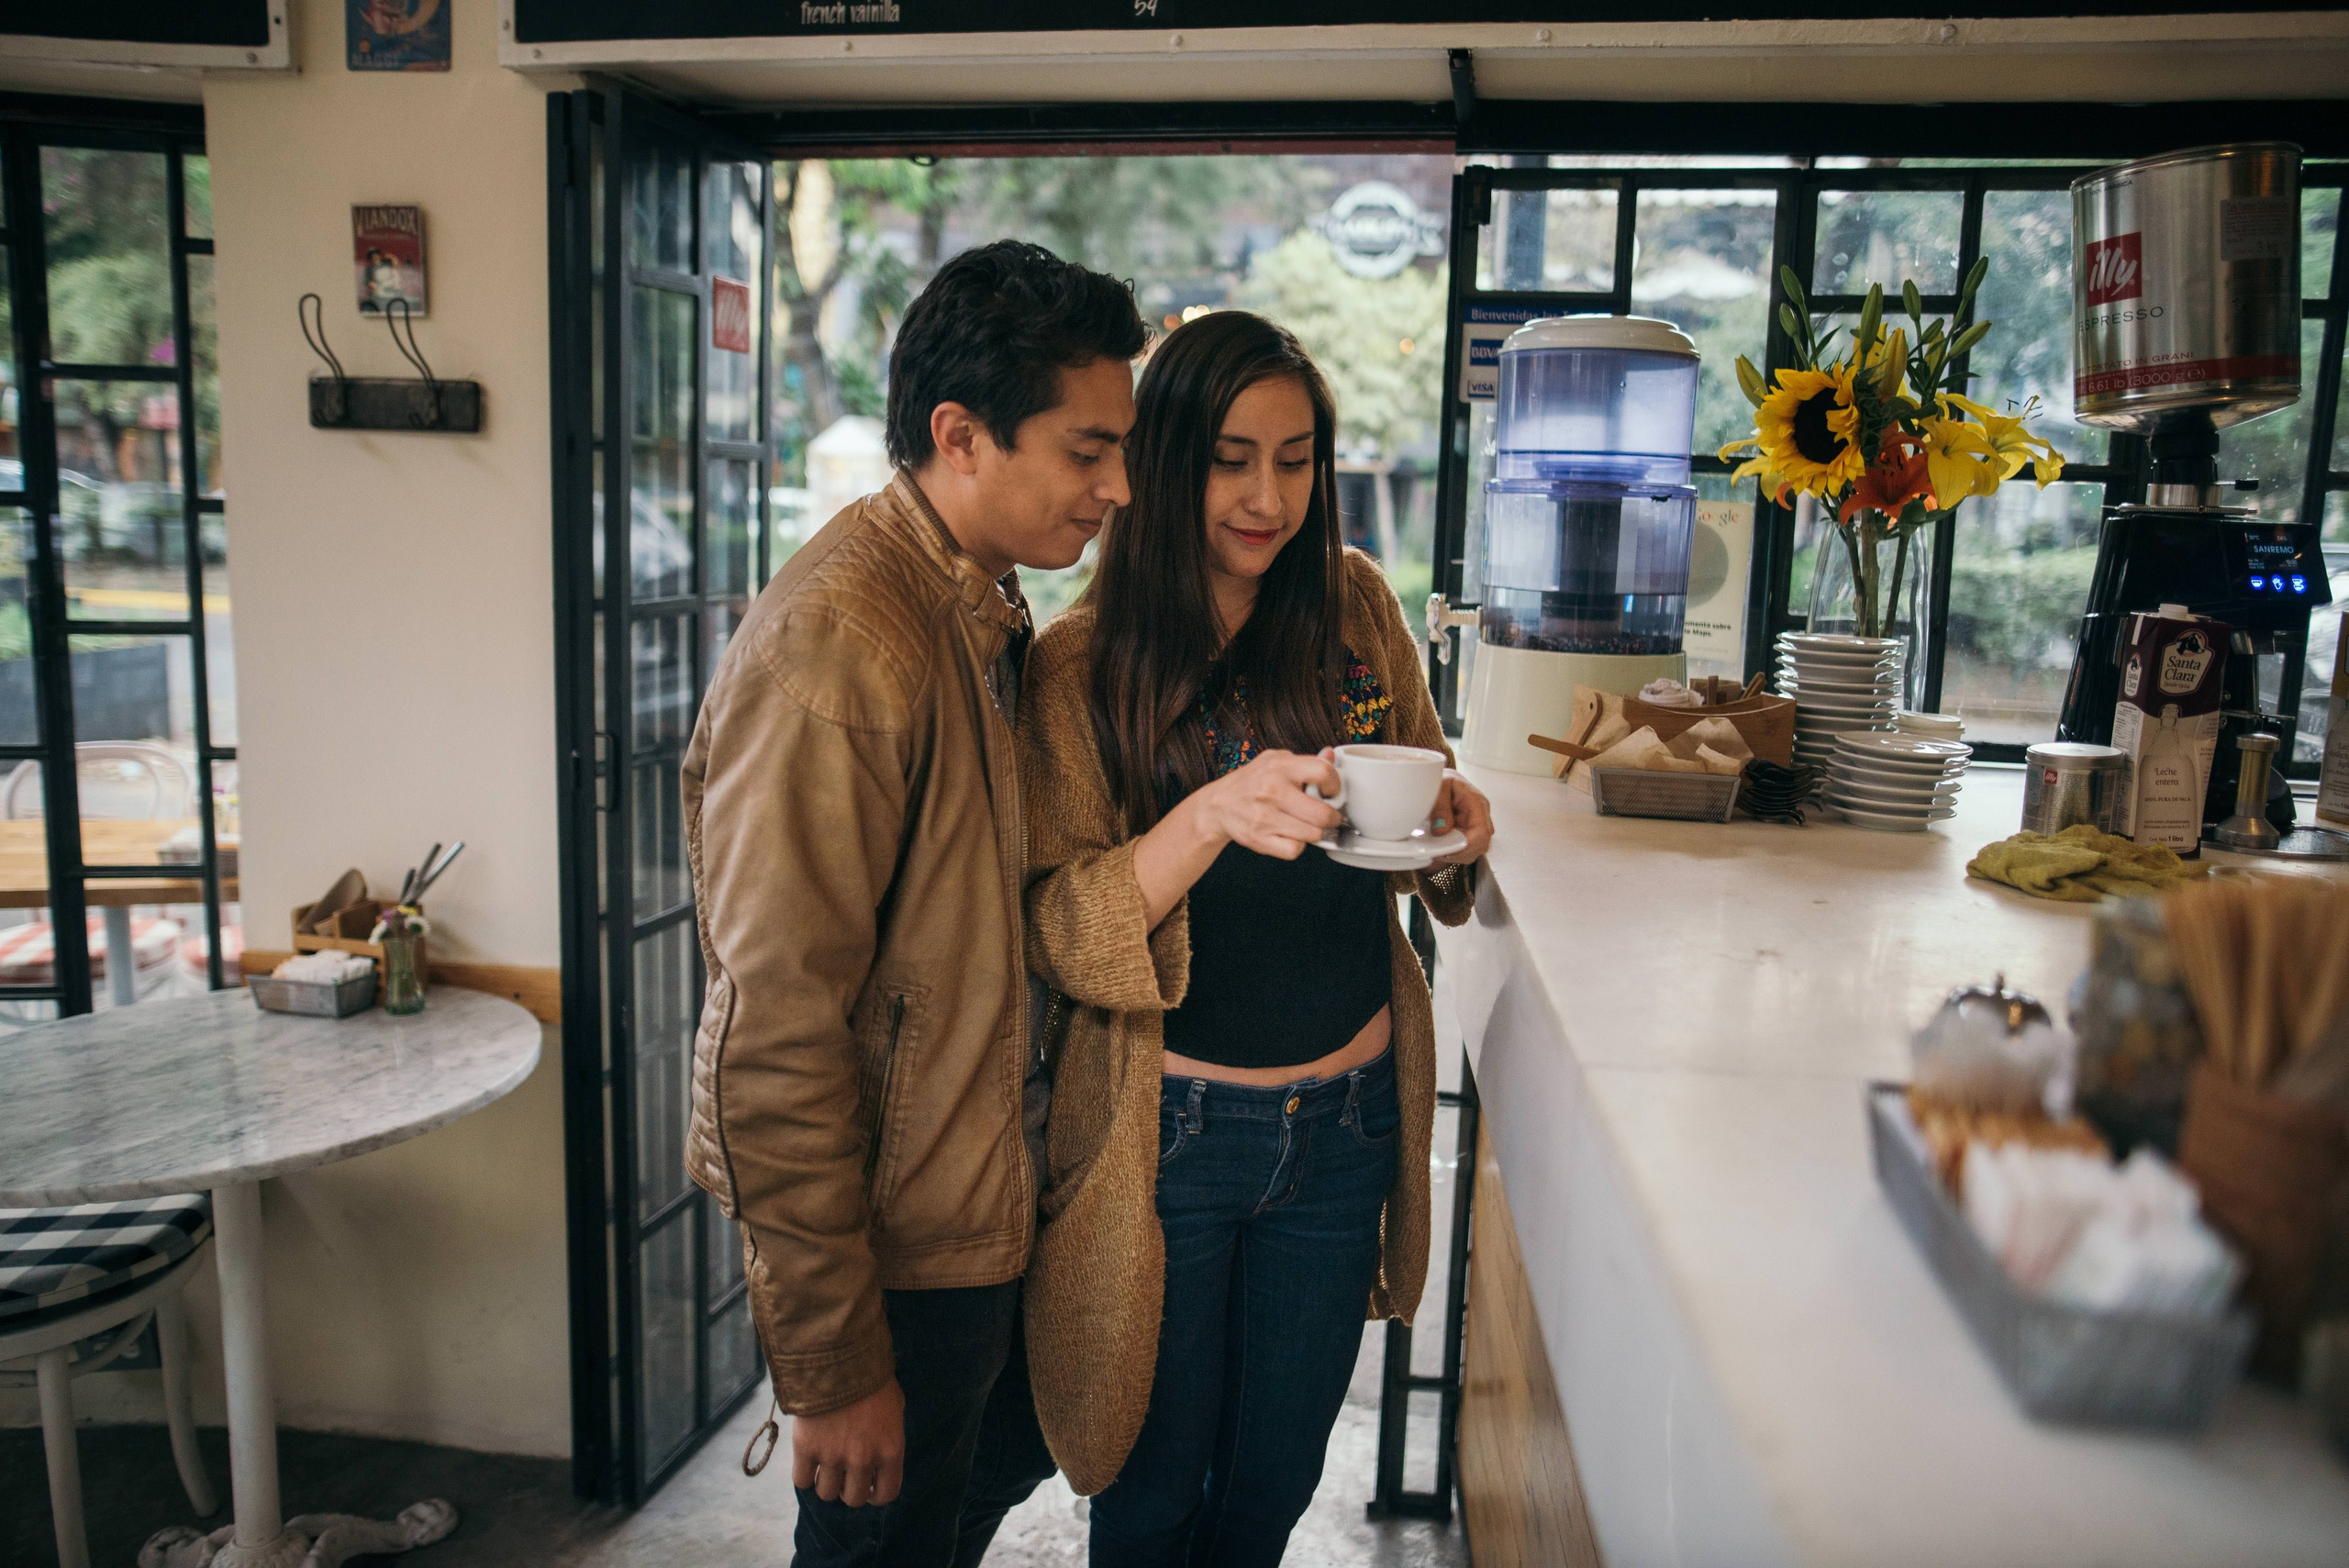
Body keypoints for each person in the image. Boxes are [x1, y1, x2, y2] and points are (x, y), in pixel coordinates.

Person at [682, 239, 1147, 1567]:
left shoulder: (974, 605)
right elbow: (767, 1032)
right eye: (1086, 449)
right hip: (899, 1256)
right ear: (961, 434)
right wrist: (830, 1360)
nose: (1117, 486)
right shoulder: (846, 642)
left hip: (973, 1209)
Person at [1013, 310, 1496, 1565]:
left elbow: (1424, 796)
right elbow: (1060, 926)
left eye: (1296, 458)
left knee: (1272, 1486)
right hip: (1168, 1142)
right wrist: (1210, 815)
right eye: (1232, 457)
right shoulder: (1078, 666)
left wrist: (1456, 818)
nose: (1268, 495)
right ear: (1165, 458)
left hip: (1344, 1131)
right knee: (1149, 1490)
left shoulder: (1354, 606)